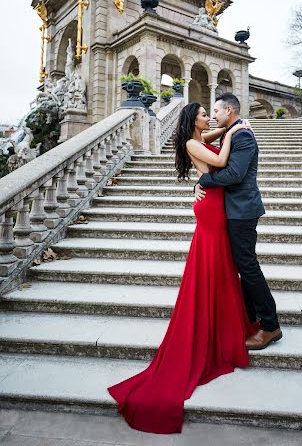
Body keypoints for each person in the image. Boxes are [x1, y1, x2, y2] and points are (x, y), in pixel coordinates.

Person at [108, 102, 255, 434]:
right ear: (194, 119)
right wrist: (237, 133)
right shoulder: (192, 142)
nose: (209, 117)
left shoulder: (199, 135)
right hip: (211, 208)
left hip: (216, 202)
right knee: (214, 265)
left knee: (221, 266)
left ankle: (225, 325)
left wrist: (231, 128)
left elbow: (216, 136)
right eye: (204, 114)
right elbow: (218, 161)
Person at [195, 93, 281, 350]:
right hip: (234, 209)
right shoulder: (233, 130)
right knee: (243, 266)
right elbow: (198, 140)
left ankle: (270, 326)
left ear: (229, 109)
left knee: (248, 266)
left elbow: (234, 174)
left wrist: (202, 181)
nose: (213, 116)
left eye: (217, 111)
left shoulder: (242, 134)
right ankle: (250, 317)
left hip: (242, 210)